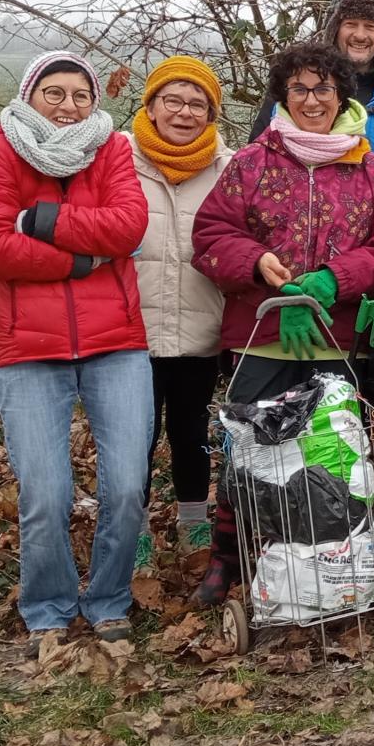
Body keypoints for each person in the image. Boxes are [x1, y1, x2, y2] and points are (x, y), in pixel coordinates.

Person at [191, 40, 374, 605]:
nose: (312, 99)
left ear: (341, 95)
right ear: (282, 96)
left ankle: (345, 564)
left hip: (338, 337)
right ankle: (229, 559)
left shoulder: (368, 168)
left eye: (324, 88)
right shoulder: (250, 164)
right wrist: (259, 265)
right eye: (300, 89)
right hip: (262, 334)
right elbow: (210, 237)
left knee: (338, 453)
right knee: (248, 453)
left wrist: (335, 279)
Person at [0, 51, 152, 656]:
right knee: (45, 493)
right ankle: (47, 605)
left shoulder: (114, 150)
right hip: (28, 352)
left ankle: (108, 599)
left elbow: (128, 227)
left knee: (126, 486)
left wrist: (39, 219)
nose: (69, 105)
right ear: (30, 94)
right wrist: (80, 261)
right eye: (55, 93)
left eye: (80, 94)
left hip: (117, 344)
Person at [125, 55, 233, 566]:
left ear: (212, 115)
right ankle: (136, 527)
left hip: (200, 326)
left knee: (191, 433)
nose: (185, 113)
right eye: (173, 100)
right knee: (135, 438)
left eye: (198, 104)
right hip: (131, 331)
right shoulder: (117, 161)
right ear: (151, 104)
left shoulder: (228, 168)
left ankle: (193, 521)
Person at [249, 0, 374, 251]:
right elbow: (256, 167)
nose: (360, 35)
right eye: (351, 24)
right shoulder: (297, 94)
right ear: (334, 30)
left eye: (370, 26)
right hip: (299, 246)